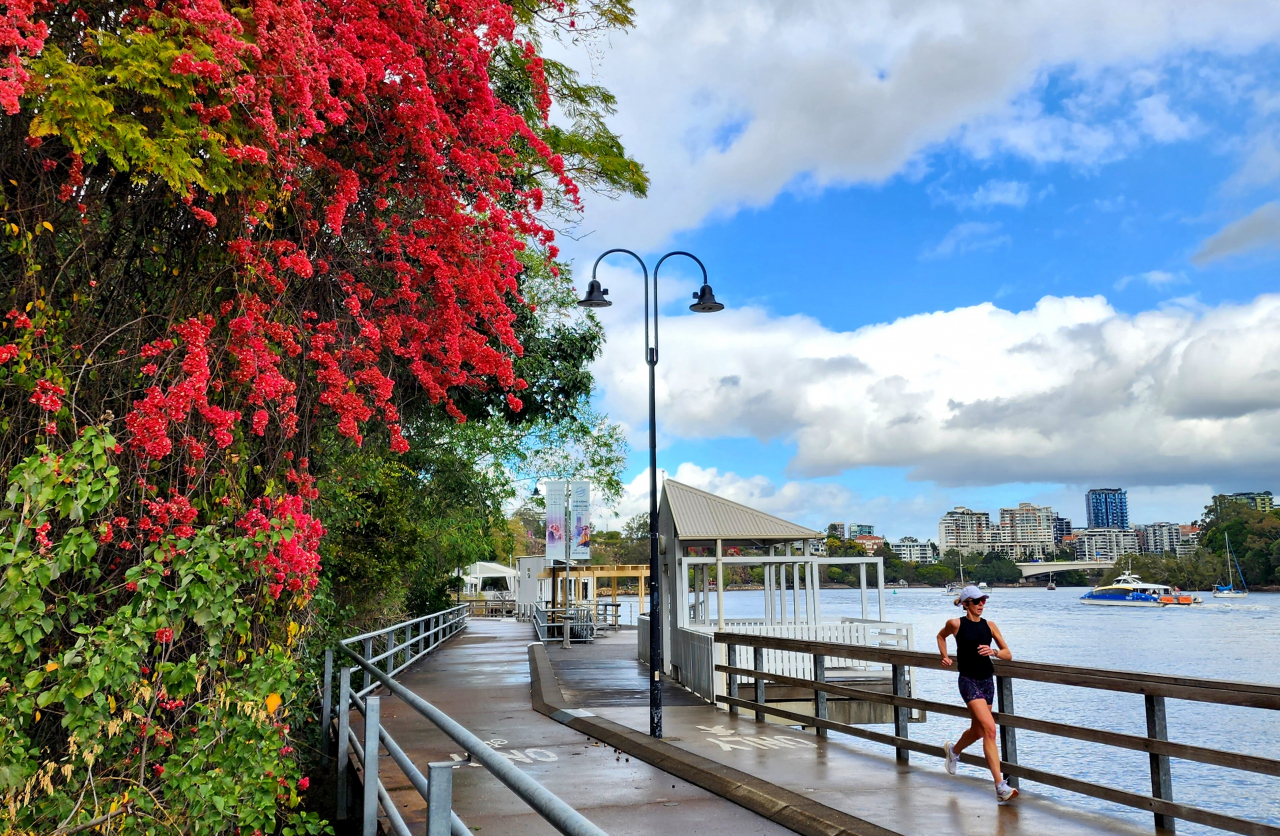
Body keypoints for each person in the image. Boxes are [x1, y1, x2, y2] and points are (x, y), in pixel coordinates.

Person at [936, 584, 1017, 802]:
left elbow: (1008, 654)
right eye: (977, 601)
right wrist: (944, 656)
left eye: (983, 600)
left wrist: (994, 652)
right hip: (968, 680)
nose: (982, 604)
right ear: (966, 604)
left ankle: (953, 751)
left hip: (986, 681)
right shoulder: (955, 624)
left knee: (980, 731)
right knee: (990, 729)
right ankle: (1000, 786)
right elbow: (940, 636)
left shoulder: (989, 626)